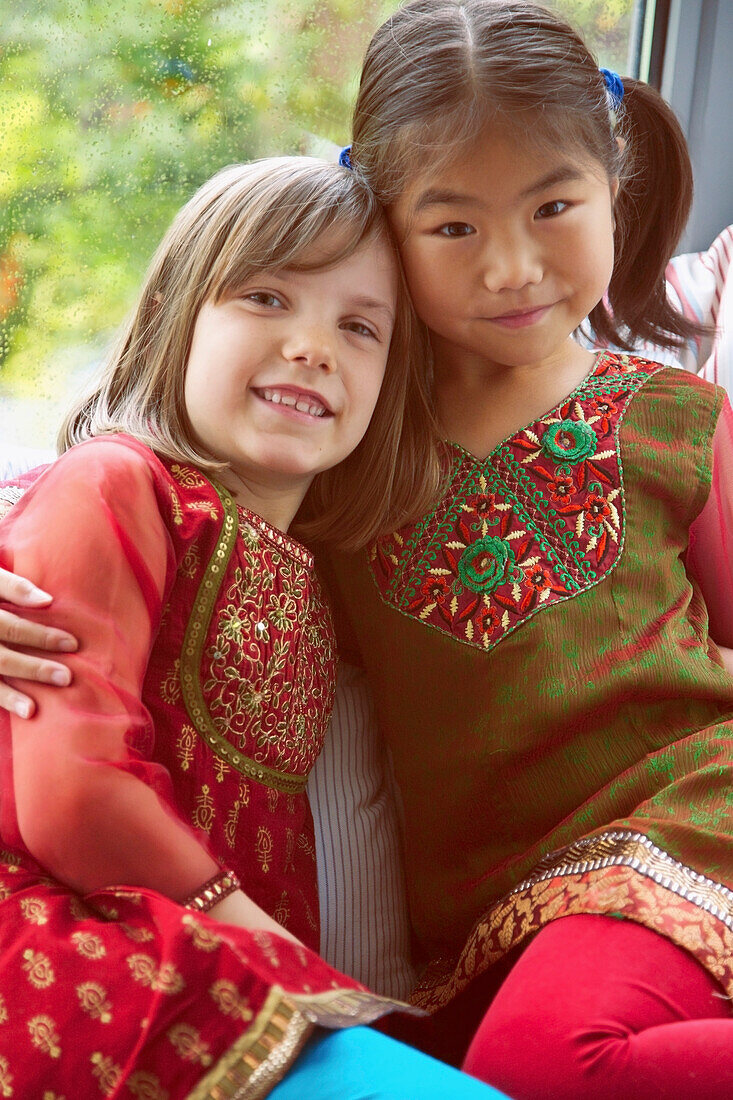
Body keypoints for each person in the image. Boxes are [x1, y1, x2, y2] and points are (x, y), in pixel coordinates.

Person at [4, 2, 733, 1096]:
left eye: (553, 206)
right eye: (453, 228)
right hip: (481, 921)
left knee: (547, 1060)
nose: (510, 267)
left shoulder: (677, 416)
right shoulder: (344, 441)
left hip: (682, 819)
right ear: (387, 228)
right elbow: (119, 483)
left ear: (613, 189)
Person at [0, 155, 508, 1099]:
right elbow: (76, 796)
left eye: (359, 327)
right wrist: (280, 956)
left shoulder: (326, 584)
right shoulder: (114, 483)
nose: (314, 346)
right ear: (173, 317)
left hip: (215, 965)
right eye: (268, 297)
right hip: (85, 953)